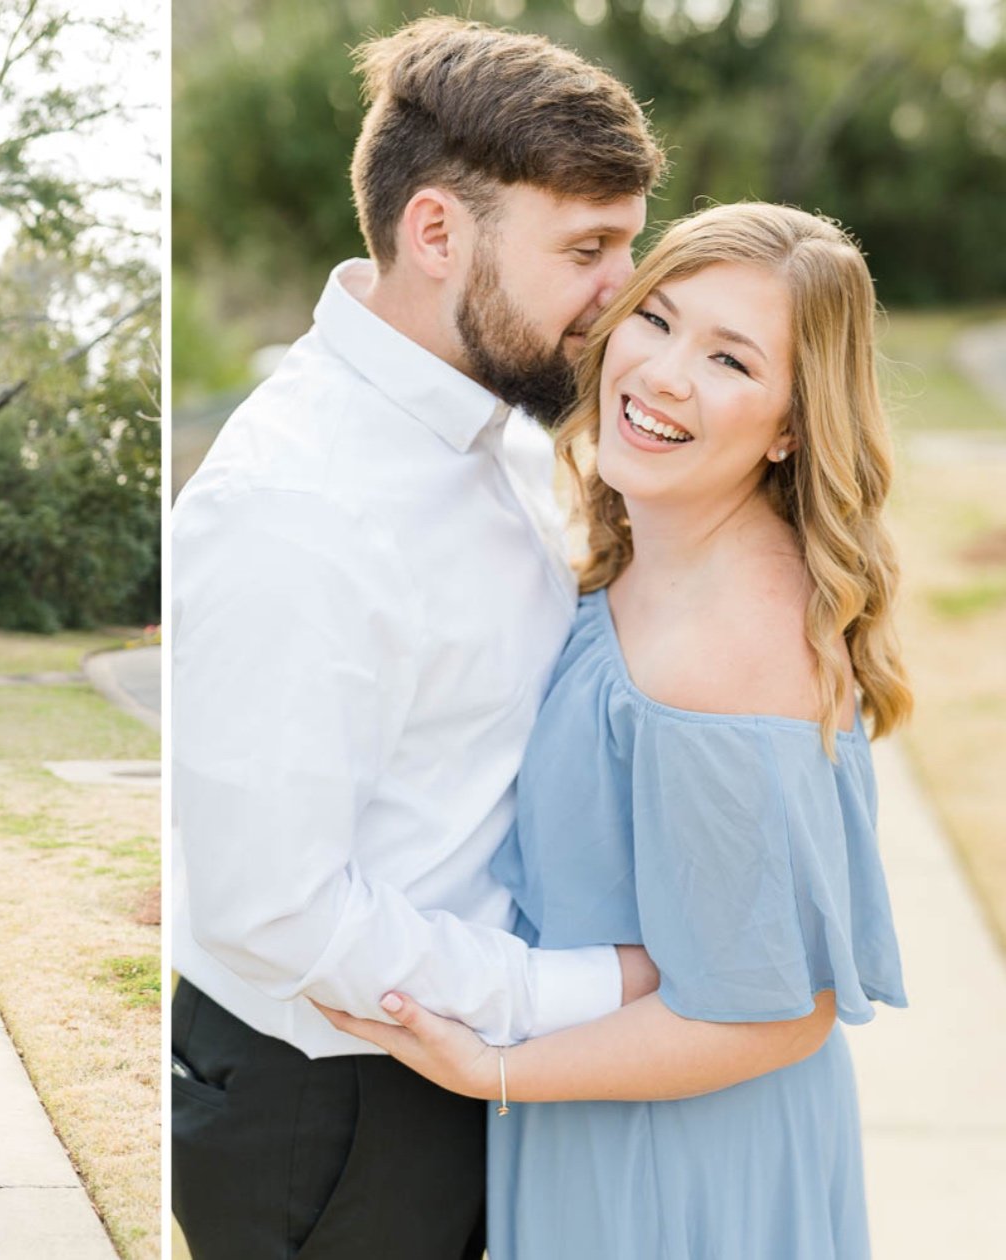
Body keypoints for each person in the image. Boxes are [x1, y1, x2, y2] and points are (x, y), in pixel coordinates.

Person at [319, 202, 912, 1257]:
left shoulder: (724, 656)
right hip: (602, 1117)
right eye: (658, 320)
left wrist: (487, 1069)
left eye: (729, 360)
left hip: (674, 1170)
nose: (665, 374)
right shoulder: (649, 544)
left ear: (788, 425)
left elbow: (770, 1012)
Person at [171, 16, 666, 1258]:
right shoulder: (292, 505)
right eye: (587, 248)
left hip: (464, 1075)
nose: (624, 291)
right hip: (335, 1114)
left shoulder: (493, 420)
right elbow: (270, 909)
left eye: (629, 245)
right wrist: (597, 991)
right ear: (436, 232)